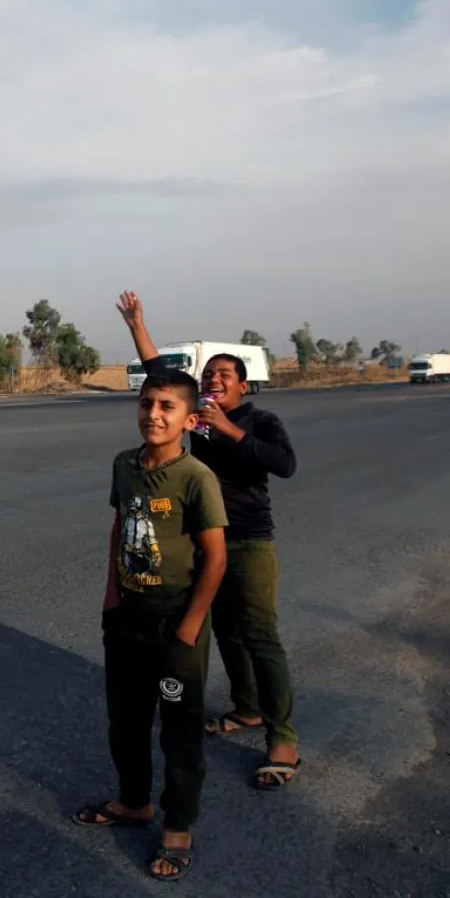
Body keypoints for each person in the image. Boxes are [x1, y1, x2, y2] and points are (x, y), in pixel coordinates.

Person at [116, 291, 302, 791]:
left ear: (243, 384)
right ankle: (247, 709)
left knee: (260, 634)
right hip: (202, 542)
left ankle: (283, 736)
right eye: (210, 375)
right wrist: (138, 326)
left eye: (224, 375)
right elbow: (160, 374)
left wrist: (230, 432)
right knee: (224, 633)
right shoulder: (194, 416)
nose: (214, 380)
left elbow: (284, 465)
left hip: (248, 541)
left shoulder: (259, 421)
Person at [70, 367, 229, 883]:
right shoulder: (124, 465)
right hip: (127, 623)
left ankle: (178, 827)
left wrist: (190, 628)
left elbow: (215, 558)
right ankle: (134, 802)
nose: (153, 415)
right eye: (146, 403)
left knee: (180, 733)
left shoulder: (195, 478)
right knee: (127, 720)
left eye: (166, 407)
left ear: (188, 418)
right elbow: (120, 527)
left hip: (174, 627)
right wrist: (112, 595)